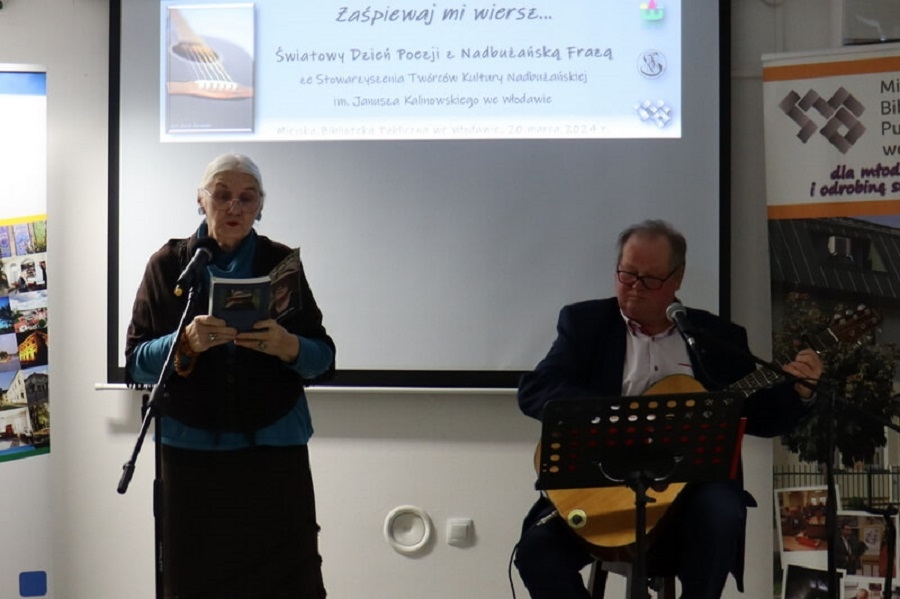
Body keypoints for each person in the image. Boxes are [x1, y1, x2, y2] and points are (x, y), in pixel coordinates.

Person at [514, 219, 823, 599]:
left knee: (723, 512)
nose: (635, 287)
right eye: (627, 274)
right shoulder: (586, 324)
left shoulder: (716, 337)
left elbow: (761, 416)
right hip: (603, 488)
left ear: (677, 278)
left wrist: (801, 392)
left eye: (650, 279)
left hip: (689, 497)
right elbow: (536, 390)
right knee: (536, 553)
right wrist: (615, 416)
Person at [125, 153, 335, 599]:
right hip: (191, 458)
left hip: (275, 454)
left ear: (260, 206)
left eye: (247, 197)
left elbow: (323, 359)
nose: (234, 207)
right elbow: (136, 362)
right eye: (222, 196)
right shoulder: (169, 266)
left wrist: (289, 346)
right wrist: (184, 342)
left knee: (291, 585)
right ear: (201, 201)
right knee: (195, 582)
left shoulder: (281, 264)